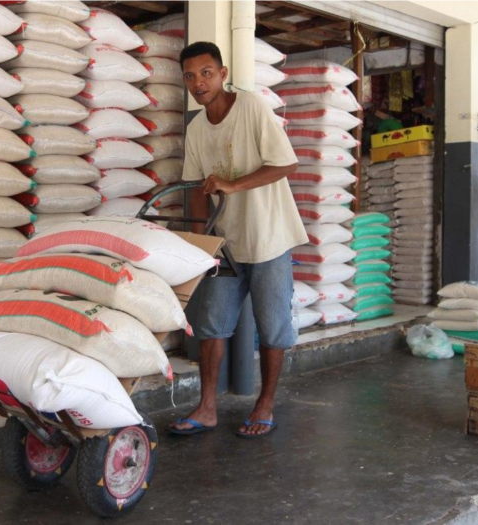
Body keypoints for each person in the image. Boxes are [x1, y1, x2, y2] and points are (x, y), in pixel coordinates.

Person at [167, 42, 308, 438]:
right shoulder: (196, 128)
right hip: (225, 242)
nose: (199, 82)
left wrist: (233, 184)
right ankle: (208, 407)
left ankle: (265, 403)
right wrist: (197, 240)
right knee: (211, 324)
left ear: (223, 73)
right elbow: (196, 186)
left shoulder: (252, 108)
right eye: (190, 76)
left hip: (269, 237)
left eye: (206, 73)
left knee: (273, 327)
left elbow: (286, 163)